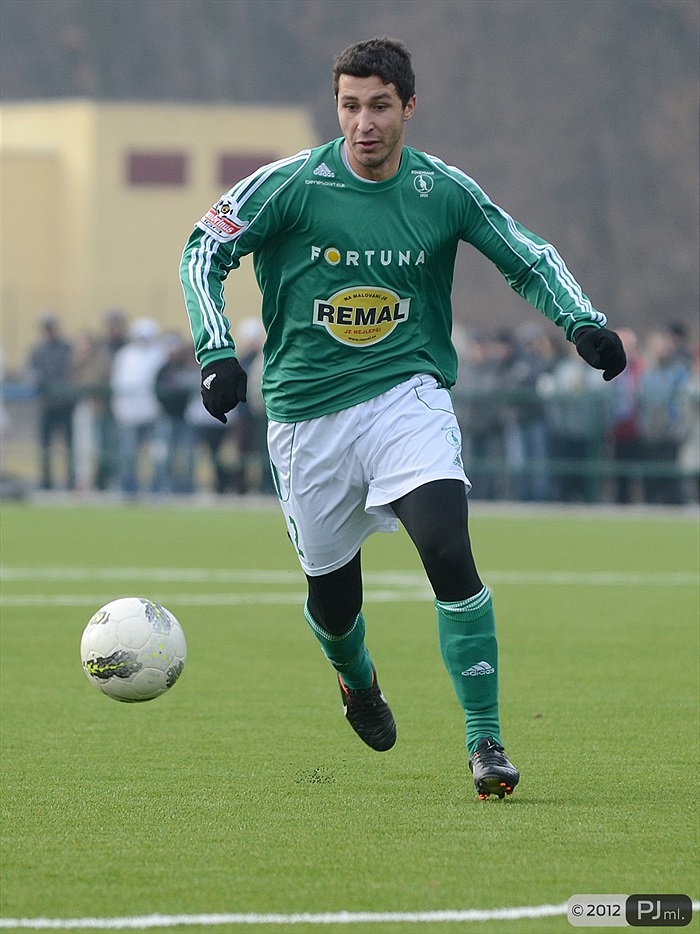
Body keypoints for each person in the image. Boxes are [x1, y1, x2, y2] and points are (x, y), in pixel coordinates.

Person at [180, 37, 627, 800]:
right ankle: (356, 679)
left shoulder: (441, 190)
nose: (364, 123)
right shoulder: (290, 184)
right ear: (337, 109)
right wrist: (217, 352)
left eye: (380, 106)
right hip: (305, 419)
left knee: (448, 549)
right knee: (334, 599)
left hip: (405, 397)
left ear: (408, 108)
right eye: (350, 106)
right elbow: (202, 250)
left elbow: (525, 253)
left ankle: (485, 741)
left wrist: (581, 321)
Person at [28, 313, 77, 490]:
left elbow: (72, 371)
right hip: (46, 404)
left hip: (65, 403)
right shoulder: (37, 350)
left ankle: (71, 479)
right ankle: (46, 480)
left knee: (69, 444)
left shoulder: (66, 348)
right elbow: (32, 372)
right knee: (45, 444)